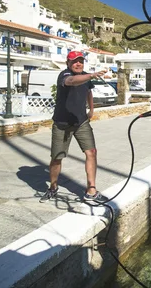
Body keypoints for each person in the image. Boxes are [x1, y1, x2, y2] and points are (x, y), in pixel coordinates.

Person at [40, 51, 107, 203]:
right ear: (68, 63)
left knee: (91, 152)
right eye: (75, 61)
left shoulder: (85, 76)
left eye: (81, 61)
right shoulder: (64, 75)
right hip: (62, 123)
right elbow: (72, 81)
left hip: (81, 121)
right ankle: (53, 187)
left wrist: (91, 109)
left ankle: (91, 190)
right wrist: (91, 75)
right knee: (57, 158)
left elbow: (88, 91)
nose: (78, 64)